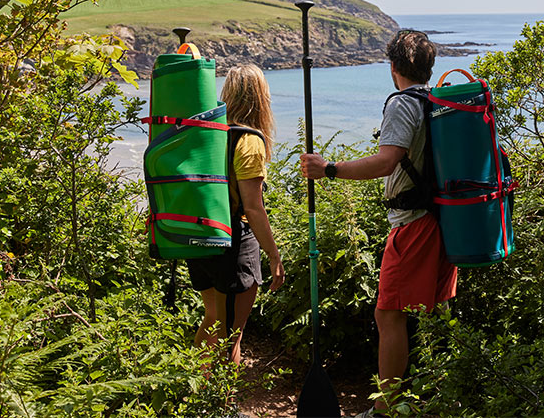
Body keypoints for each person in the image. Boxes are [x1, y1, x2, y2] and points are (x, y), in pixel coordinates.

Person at [300, 30, 457, 417]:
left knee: (388, 313)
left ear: (392, 67)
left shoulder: (403, 104)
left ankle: (386, 410)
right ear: (428, 66)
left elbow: (386, 161)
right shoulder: (437, 101)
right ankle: (444, 394)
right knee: (435, 311)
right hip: (446, 219)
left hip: (415, 222)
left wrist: (329, 169)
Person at [186, 64, 285, 364]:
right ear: (260, 97)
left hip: (201, 238)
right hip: (234, 243)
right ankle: (225, 405)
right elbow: (253, 208)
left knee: (213, 319)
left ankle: (195, 394)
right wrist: (274, 255)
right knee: (232, 336)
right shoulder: (249, 141)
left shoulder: (209, 133)